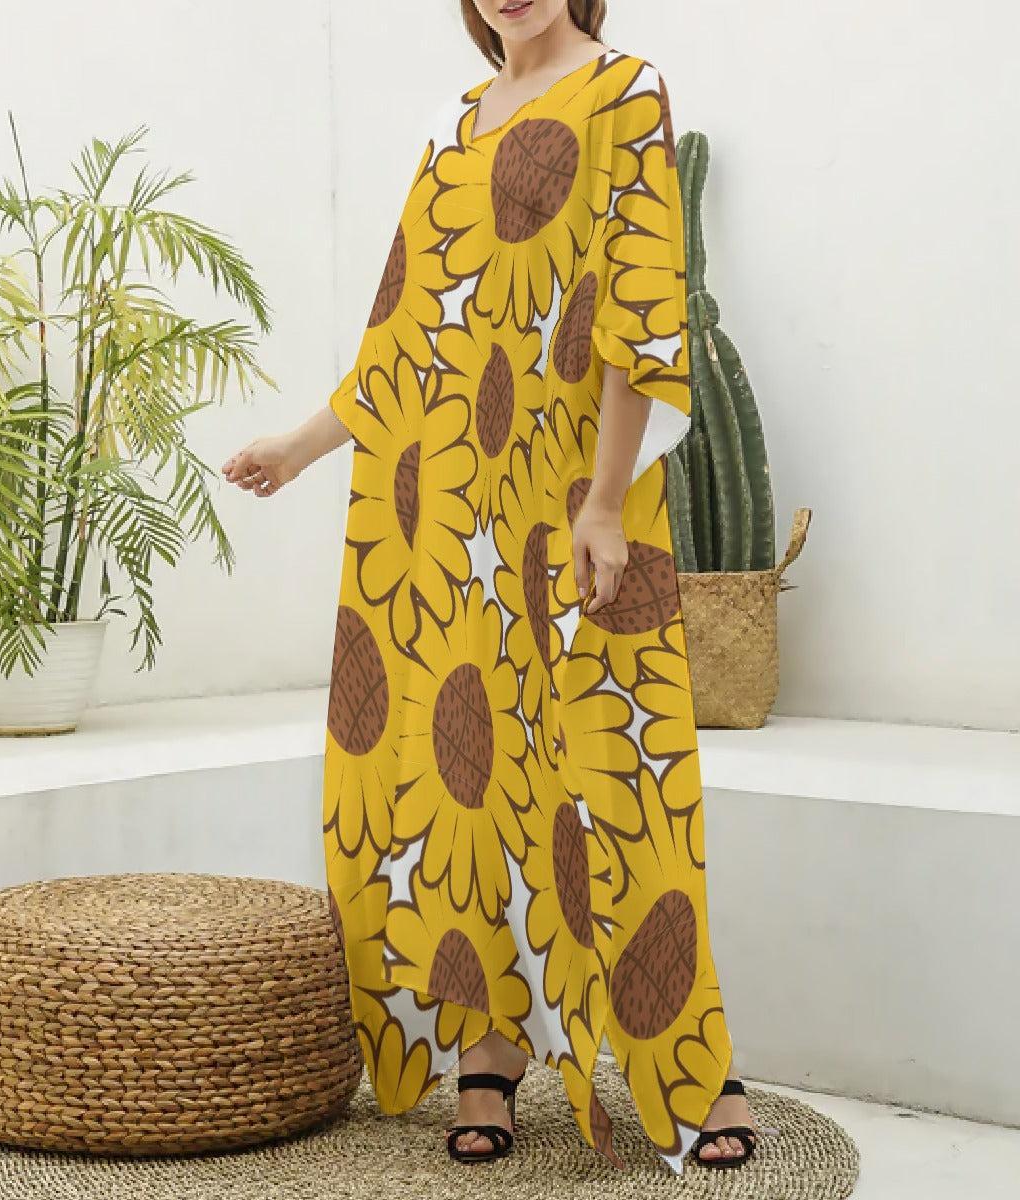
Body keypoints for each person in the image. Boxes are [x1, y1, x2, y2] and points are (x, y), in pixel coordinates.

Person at [223, 0, 757, 1174]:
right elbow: (409, 333)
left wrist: (604, 503)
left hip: (574, 501)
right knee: (468, 779)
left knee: (617, 768)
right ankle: (488, 1049)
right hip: (459, 513)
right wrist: (301, 448)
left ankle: (688, 1060)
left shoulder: (626, 92)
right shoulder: (452, 123)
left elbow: (641, 310)